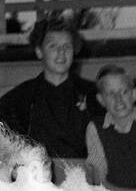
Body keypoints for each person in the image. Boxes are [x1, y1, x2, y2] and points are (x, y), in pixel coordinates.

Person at [0, 16, 100, 176]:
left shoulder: (95, 95)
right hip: (38, 185)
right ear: (39, 51)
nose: (61, 53)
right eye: (53, 46)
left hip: (84, 183)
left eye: (67, 46)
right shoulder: (21, 98)